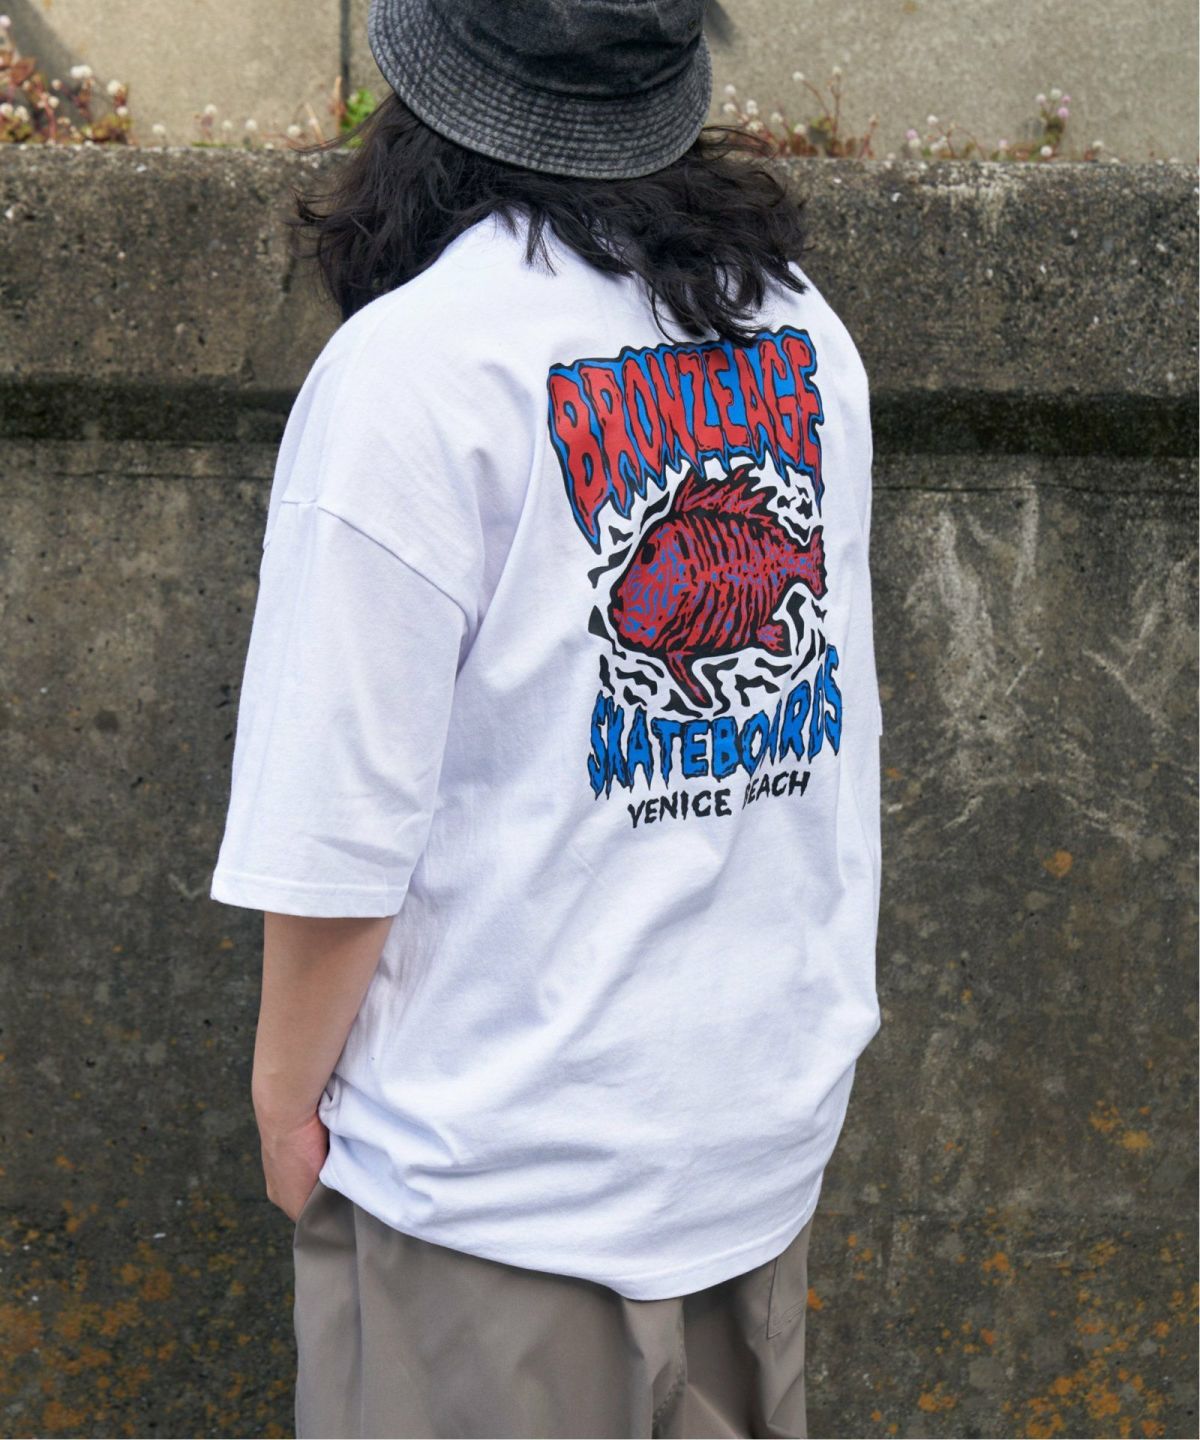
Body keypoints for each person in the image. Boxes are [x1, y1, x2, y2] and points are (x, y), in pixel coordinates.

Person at [209, 0, 884, 1434]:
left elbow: (336, 836)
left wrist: (283, 1103)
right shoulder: (798, 329)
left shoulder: (411, 373)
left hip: (489, 1201)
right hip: (750, 1162)